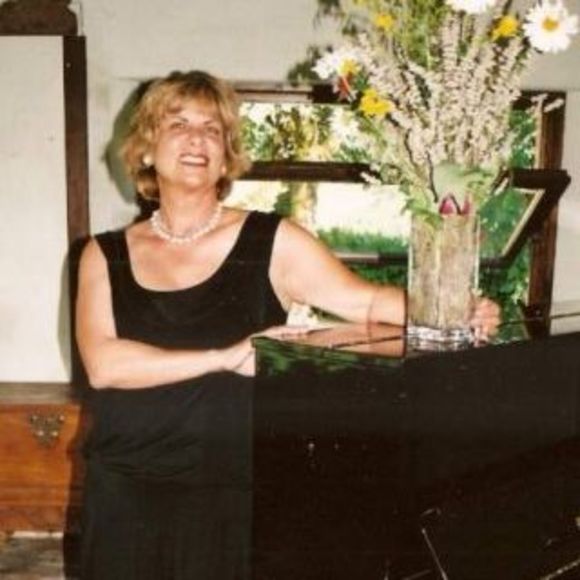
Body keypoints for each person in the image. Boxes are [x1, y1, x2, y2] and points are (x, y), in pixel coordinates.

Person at [75, 70, 500, 579]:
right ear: (146, 147)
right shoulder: (103, 253)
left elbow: (365, 303)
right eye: (178, 124)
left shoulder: (272, 240)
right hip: (124, 489)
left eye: (212, 129)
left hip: (231, 491)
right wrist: (225, 356)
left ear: (226, 155)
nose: (196, 139)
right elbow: (104, 365)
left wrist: (454, 308)